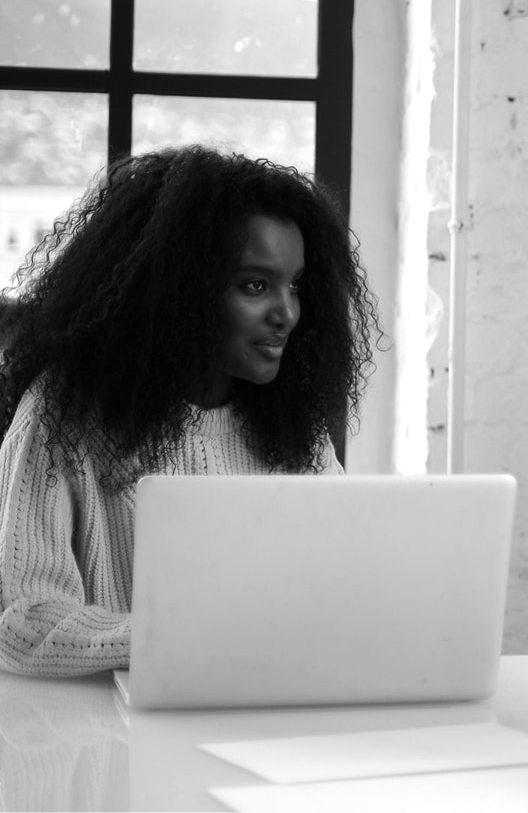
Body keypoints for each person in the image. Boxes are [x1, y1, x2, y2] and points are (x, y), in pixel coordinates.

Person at [0, 146, 379, 677]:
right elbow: (23, 623)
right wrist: (189, 637)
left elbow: (343, 590)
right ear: (178, 289)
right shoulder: (63, 416)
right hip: (103, 739)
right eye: (255, 285)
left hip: (262, 723)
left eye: (295, 285)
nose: (287, 313)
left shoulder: (295, 430)